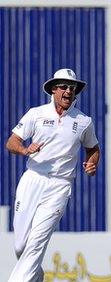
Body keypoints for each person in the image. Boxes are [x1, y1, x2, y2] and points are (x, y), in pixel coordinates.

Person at [6, 68, 100, 282]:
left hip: (60, 185)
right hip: (33, 179)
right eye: (64, 87)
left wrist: (92, 164)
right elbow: (12, 142)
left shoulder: (84, 121)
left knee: (37, 241)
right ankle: (36, 278)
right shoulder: (36, 114)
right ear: (53, 90)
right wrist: (24, 150)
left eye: (73, 88)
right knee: (22, 246)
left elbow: (93, 148)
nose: (69, 91)